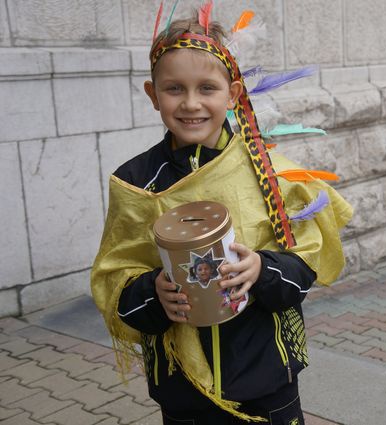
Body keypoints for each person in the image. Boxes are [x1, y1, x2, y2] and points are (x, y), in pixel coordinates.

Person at [91, 6, 352, 425]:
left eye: (206, 88)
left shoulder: (266, 171)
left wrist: (262, 269)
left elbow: (306, 264)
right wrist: (153, 293)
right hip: (183, 392)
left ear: (232, 94)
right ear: (152, 93)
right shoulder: (136, 182)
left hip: (267, 379)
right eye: (174, 88)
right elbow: (114, 281)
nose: (190, 103)